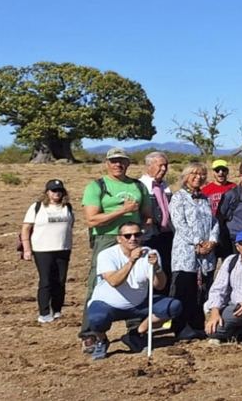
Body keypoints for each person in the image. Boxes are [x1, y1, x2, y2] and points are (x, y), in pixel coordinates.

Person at [79, 148, 154, 351]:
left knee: (137, 280)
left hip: (133, 238)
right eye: (113, 161)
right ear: (107, 163)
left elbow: (147, 215)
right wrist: (123, 210)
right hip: (107, 238)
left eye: (122, 161)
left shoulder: (138, 186)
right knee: (97, 284)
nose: (118, 164)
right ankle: (90, 333)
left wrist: (141, 231)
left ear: (128, 164)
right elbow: (92, 219)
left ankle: (134, 331)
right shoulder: (97, 186)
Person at [86, 222, 181, 361]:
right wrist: (131, 261)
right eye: (127, 235)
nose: (133, 238)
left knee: (173, 306)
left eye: (137, 235)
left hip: (138, 303)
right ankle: (102, 340)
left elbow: (159, 286)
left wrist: (157, 268)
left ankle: (136, 334)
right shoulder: (106, 255)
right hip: (107, 304)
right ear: (119, 239)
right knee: (97, 319)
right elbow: (114, 281)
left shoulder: (149, 253)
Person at [168, 162, 219, 340]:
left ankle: (197, 324)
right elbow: (179, 223)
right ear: (186, 176)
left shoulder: (205, 198)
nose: (198, 177)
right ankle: (181, 327)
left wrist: (212, 241)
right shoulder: (178, 198)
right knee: (185, 288)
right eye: (194, 174)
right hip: (186, 251)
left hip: (206, 252)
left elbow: (214, 222)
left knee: (202, 289)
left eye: (202, 174)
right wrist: (197, 242)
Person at [21, 178, 74, 322]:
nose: (57, 193)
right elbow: (26, 228)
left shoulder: (67, 207)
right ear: (47, 192)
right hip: (42, 249)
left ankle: (57, 310)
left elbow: (70, 226)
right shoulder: (37, 207)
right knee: (46, 281)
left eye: (59, 190)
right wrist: (27, 249)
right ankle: (44, 313)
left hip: (63, 248)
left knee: (60, 281)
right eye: (53, 190)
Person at [138, 152, 173, 287]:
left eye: (166, 165)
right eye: (161, 165)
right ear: (149, 166)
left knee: (166, 270)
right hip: (149, 236)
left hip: (167, 235)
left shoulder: (165, 185)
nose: (164, 169)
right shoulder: (141, 186)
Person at [204, 159, 236, 259]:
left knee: (228, 259)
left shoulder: (234, 188)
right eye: (217, 170)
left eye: (223, 170)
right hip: (211, 229)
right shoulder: (206, 190)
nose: (221, 173)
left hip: (228, 228)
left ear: (227, 172)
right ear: (213, 172)